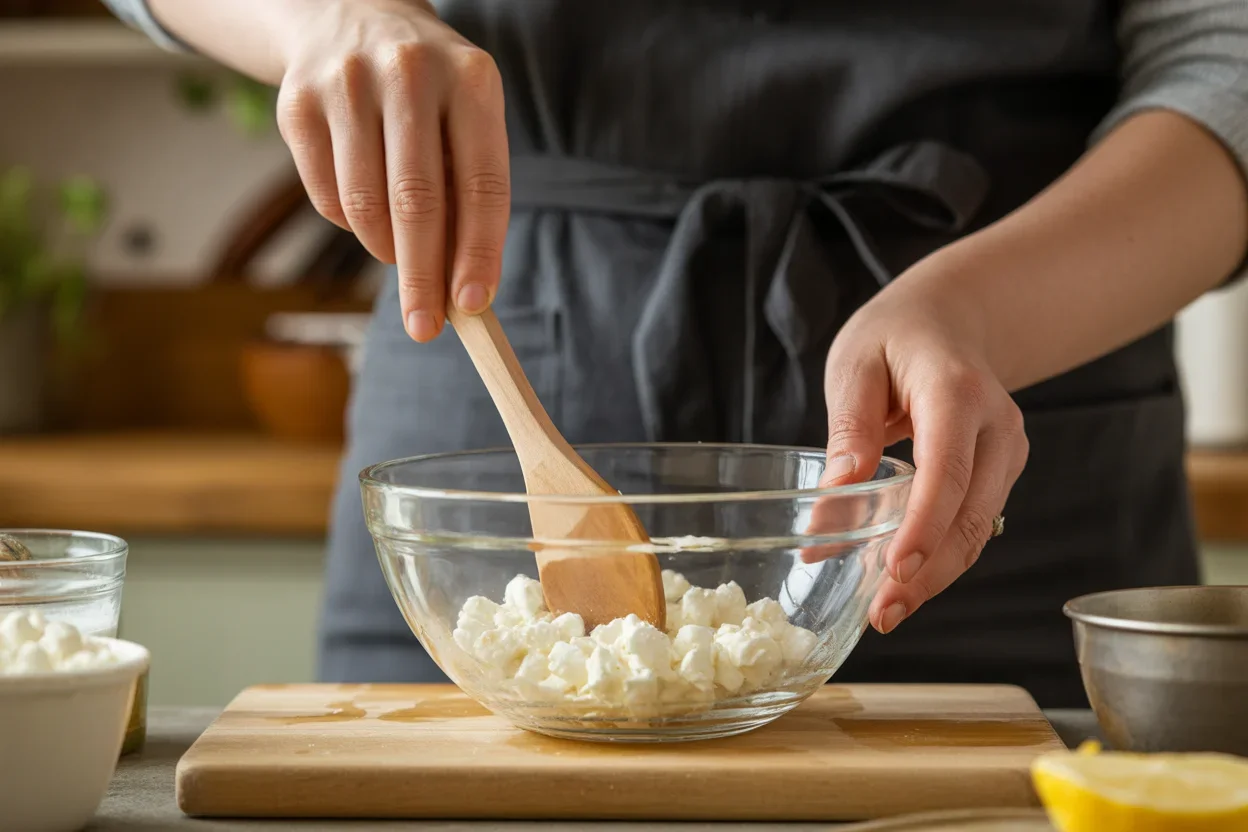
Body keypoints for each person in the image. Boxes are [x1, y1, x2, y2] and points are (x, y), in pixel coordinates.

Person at [105, 0, 1248, 707]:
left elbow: (1225, 48)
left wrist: (987, 312)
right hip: (488, 423)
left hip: (1007, 443)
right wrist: (325, 16)